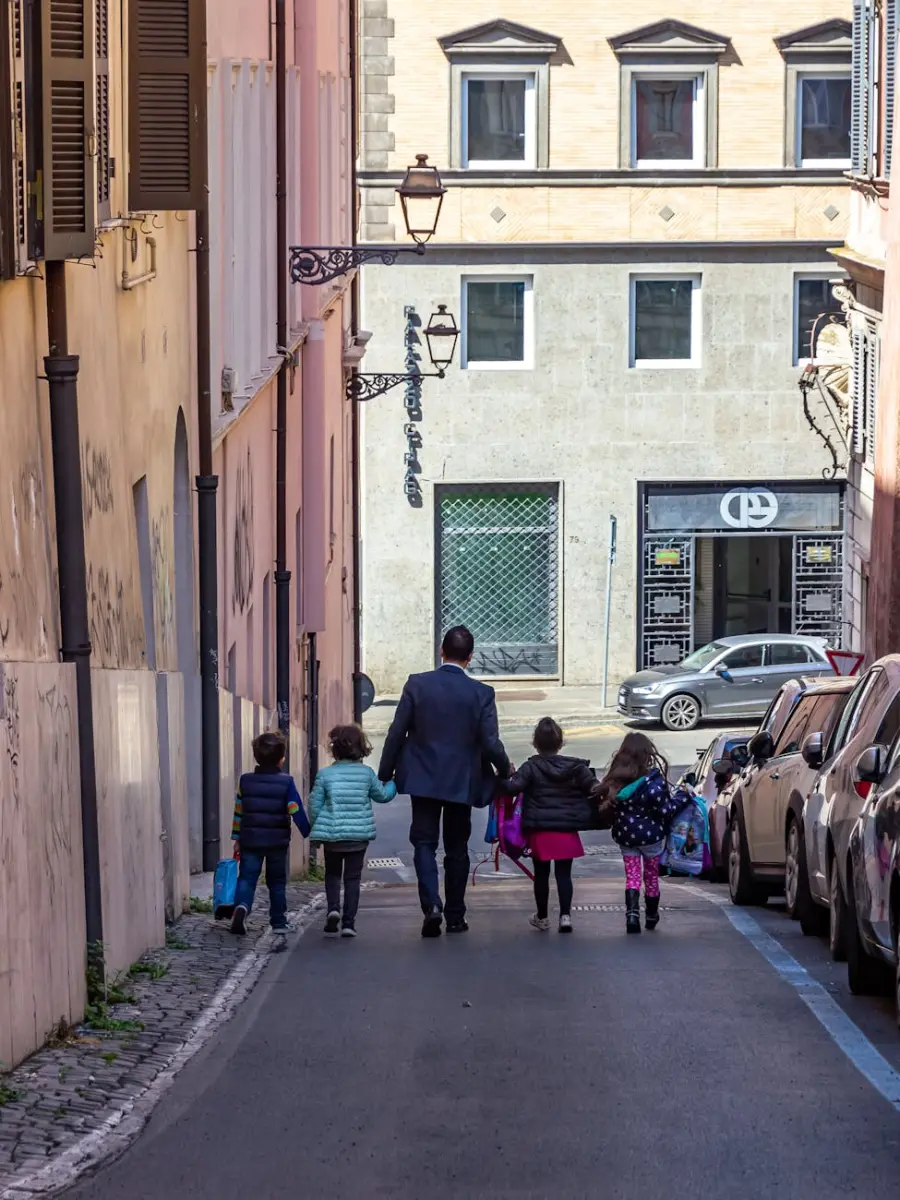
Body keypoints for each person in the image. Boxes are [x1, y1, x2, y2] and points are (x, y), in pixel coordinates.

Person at [378, 625, 510, 937]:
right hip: (461, 782)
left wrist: (385, 773)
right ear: (471, 658)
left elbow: (397, 732)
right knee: (457, 847)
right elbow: (491, 743)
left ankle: (431, 905)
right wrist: (505, 771)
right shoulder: (481, 693)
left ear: (441, 651)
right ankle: (454, 915)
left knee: (423, 843)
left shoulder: (417, 684)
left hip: (422, 778)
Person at [500, 717, 598, 933]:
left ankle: (542, 917)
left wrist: (502, 776)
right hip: (566, 829)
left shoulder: (530, 767)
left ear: (535, 743)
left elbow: (512, 788)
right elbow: (593, 787)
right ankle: (565, 917)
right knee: (564, 875)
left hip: (540, 829)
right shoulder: (576, 767)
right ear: (561, 742)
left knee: (541, 875)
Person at [308, 723, 397, 937]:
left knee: (332, 875)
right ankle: (348, 923)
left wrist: (316, 828)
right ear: (361, 747)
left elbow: (314, 805)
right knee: (353, 878)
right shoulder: (366, 774)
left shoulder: (325, 774)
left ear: (334, 748)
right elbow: (382, 796)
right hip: (358, 836)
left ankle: (333, 909)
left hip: (332, 835)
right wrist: (394, 782)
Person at [230, 732, 311, 939]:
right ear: (281, 758)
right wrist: (308, 832)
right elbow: (295, 809)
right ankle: (278, 922)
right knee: (276, 882)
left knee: (247, 878)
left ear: (256, 756)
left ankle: (241, 906)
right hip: (277, 842)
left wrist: (236, 837)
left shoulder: (245, 781)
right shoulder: (286, 782)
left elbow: (239, 810)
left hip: (250, 840)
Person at [600, 731, 679, 935]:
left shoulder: (616, 782)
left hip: (626, 837)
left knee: (632, 876)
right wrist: (683, 800)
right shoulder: (653, 783)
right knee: (651, 876)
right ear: (647, 754)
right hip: (651, 838)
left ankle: (632, 915)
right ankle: (651, 915)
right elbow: (666, 811)